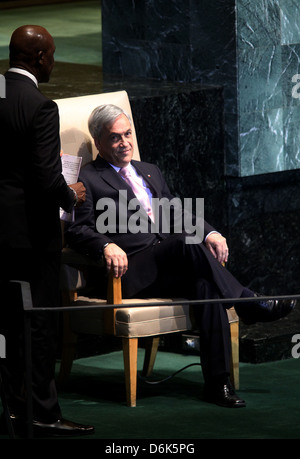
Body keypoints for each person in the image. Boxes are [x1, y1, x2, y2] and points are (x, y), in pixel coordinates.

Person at [65, 104, 296, 409]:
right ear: (99, 141)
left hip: (168, 268)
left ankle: (219, 383)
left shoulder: (149, 170)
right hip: (130, 272)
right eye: (115, 138)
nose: (125, 142)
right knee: (184, 245)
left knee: (207, 288)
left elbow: (176, 211)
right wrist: (105, 245)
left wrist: (210, 232)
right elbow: (77, 229)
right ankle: (247, 301)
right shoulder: (88, 178)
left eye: (128, 134)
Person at [0, 25, 94, 436]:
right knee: (38, 324)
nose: (53, 61)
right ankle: (43, 413)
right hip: (29, 238)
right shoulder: (39, 105)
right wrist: (70, 195)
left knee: (4, 324)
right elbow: (43, 175)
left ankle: (13, 408)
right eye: (52, 54)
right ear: (39, 59)